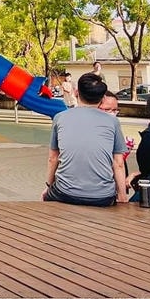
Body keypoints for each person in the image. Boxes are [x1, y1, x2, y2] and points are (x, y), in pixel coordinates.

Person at [43, 73, 128, 206]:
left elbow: (53, 158)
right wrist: (122, 195)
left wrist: (48, 186)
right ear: (102, 97)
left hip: (65, 193)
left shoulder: (60, 118)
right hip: (103, 196)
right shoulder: (112, 121)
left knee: (47, 197)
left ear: (76, 92)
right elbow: (118, 163)